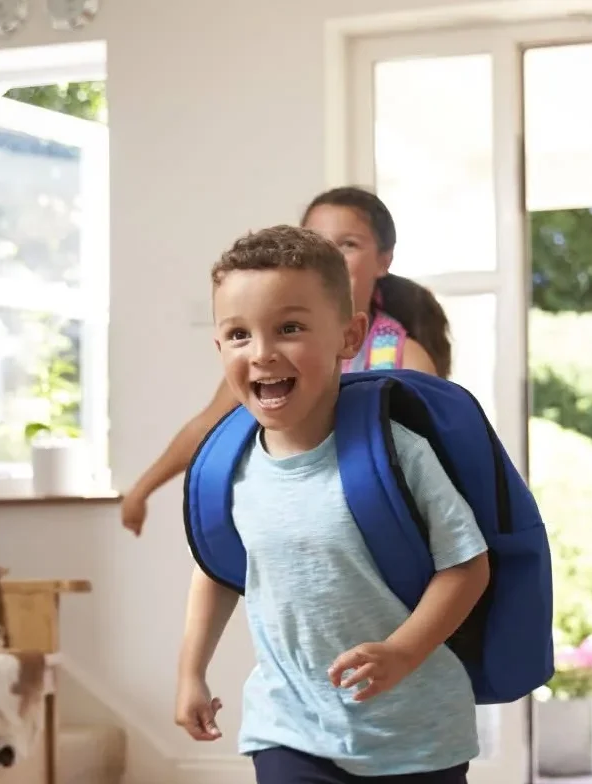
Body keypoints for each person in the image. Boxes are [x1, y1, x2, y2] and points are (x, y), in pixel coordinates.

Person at [174, 225, 488, 784]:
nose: (262, 353)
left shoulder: (397, 453)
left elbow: (465, 566)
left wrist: (402, 653)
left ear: (350, 336)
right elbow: (218, 569)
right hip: (288, 727)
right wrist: (190, 672)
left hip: (416, 736)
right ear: (219, 348)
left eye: (289, 328)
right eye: (239, 334)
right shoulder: (227, 467)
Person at [121, 187, 451, 535]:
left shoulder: (404, 357)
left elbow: (430, 471)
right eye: (318, 240)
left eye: (348, 244)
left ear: (384, 260)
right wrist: (142, 489)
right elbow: (207, 425)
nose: (331, 255)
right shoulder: (264, 358)